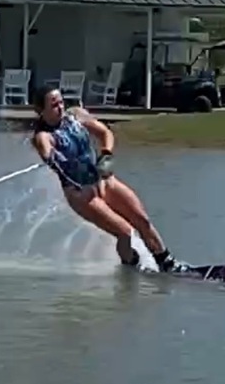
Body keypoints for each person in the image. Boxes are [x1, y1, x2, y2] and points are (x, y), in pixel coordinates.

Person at [31, 85, 184, 273]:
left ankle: (167, 263)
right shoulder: (43, 136)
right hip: (82, 195)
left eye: (61, 102)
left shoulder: (75, 115)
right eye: (54, 105)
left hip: (103, 181)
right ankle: (131, 268)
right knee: (125, 233)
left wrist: (106, 154)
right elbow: (46, 150)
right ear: (41, 111)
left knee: (141, 219)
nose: (61, 107)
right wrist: (51, 157)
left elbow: (105, 133)